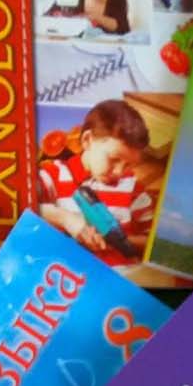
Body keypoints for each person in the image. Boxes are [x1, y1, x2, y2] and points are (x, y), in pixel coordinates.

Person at [38, 99, 155, 264]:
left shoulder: (132, 187)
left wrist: (118, 240)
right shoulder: (55, 174)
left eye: (129, 165)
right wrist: (65, 218)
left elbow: (154, 242)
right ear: (87, 140)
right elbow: (21, 202)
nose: (119, 172)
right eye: (114, 159)